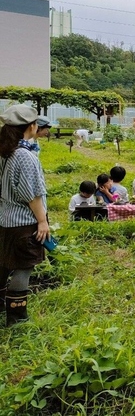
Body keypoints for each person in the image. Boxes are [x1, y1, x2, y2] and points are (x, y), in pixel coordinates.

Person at [0, 105, 50, 325]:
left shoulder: (4, 151)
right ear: (31, 126)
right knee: (23, 267)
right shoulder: (25, 157)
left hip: (4, 219)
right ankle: (17, 317)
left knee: (3, 264)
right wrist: (42, 221)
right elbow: (33, 195)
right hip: (23, 222)